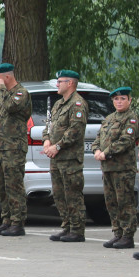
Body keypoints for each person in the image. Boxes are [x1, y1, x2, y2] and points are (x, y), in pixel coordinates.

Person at [0, 63, 33, 236]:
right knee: (1, 185)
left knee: (14, 185)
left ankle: (17, 222)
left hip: (13, 147)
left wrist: (2, 89)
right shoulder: (1, 95)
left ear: (7, 77)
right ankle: (6, 220)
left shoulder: (21, 93)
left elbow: (11, 107)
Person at [42, 69, 89, 242]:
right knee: (59, 194)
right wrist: (46, 141)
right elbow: (48, 125)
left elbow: (75, 131)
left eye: (60, 81)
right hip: (57, 158)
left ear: (70, 83)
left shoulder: (78, 104)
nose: (57, 84)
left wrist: (58, 146)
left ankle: (77, 230)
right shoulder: (58, 104)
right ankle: (67, 226)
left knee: (72, 194)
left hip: (69, 158)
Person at [94, 87, 138, 249]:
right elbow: (98, 138)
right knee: (111, 202)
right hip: (108, 168)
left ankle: (128, 235)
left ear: (129, 100)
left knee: (124, 202)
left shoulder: (131, 118)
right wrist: (97, 150)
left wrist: (106, 152)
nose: (119, 102)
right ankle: (117, 233)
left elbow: (126, 140)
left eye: (122, 99)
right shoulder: (109, 118)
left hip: (123, 168)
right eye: (116, 99)